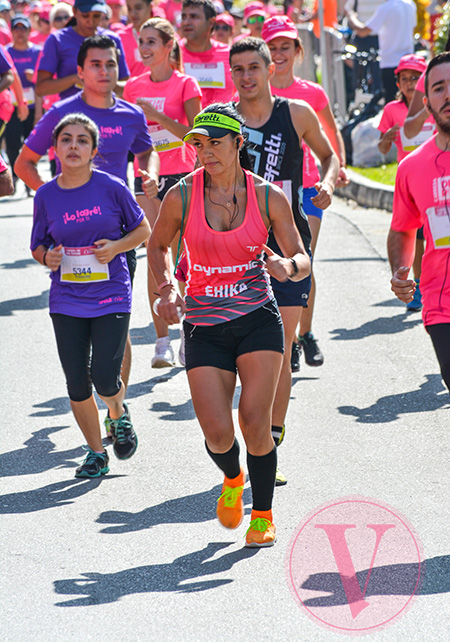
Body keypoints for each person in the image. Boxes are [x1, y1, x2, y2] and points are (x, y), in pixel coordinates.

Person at [147, 104, 311, 547]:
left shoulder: (267, 197)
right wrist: (167, 289)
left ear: (239, 144)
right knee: (218, 434)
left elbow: (302, 257)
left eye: (215, 142)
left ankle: (262, 515)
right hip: (204, 324)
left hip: (257, 318)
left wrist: (286, 266)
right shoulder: (181, 195)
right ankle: (233, 477)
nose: (206, 151)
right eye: (198, 143)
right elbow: (159, 245)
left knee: (255, 421)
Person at [15, 35, 158, 418]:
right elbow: (23, 163)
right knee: (79, 331)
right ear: (79, 72)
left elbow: (146, 148)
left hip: (118, 237)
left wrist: (148, 173)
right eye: (95, 64)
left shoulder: (130, 114)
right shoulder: (60, 114)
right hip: (74, 244)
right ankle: (100, 404)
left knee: (116, 322)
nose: (104, 71)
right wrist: (55, 200)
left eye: (111, 64)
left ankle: (116, 412)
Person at [230, 37, 339, 485]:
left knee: (280, 345)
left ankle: (268, 441)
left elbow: (329, 155)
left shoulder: (295, 113)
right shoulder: (224, 119)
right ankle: (254, 434)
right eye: (237, 69)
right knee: (244, 352)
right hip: (238, 246)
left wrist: (329, 183)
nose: (246, 76)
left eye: (253, 66)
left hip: (290, 241)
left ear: (269, 67)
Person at [30, 113, 150, 478]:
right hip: (66, 298)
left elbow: (142, 230)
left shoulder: (113, 187)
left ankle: (117, 412)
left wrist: (115, 247)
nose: (73, 146)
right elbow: (38, 245)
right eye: (66, 139)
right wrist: (46, 256)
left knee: (104, 377)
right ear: (55, 149)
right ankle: (96, 452)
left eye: (82, 140)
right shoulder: (46, 195)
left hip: (111, 294)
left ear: (94, 150)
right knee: (77, 382)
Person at [261, 15, 349, 372]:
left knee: (302, 259)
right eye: (273, 48)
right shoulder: (254, 90)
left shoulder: (312, 93)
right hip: (266, 191)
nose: (279, 53)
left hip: (308, 190)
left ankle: (302, 334)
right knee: (270, 264)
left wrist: (335, 173)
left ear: (297, 51)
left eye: (286, 46)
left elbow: (330, 134)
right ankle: (283, 336)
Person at [123, 18, 202, 367]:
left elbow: (196, 135)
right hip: (145, 178)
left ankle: (188, 332)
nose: (145, 47)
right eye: (142, 41)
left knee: (182, 257)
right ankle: (160, 341)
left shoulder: (186, 84)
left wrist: (157, 116)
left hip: (183, 176)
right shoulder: (133, 87)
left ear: (169, 45)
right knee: (156, 253)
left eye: (152, 41)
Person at [388, 52, 450, 395]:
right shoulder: (412, 167)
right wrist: (400, 269)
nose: (448, 95)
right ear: (427, 103)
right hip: (442, 302)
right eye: (439, 88)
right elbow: (402, 228)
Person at [378, 53, 434, 312]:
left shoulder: (435, 107)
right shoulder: (392, 110)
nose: (410, 83)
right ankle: (420, 285)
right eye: (405, 78)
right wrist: (387, 139)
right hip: (409, 183)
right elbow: (381, 148)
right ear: (397, 83)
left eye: (416, 77)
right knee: (417, 235)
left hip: (437, 177)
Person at [36, 0, 129, 101]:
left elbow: (126, 87)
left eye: (96, 16)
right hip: (71, 115)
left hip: (105, 113)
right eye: (85, 16)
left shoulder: (112, 39)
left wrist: (102, 83)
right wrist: (74, 79)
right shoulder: (57, 39)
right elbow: (41, 88)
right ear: (75, 12)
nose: (91, 21)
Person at [348, 0, 417, 103]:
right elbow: (413, 25)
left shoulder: (385, 8)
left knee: (392, 102)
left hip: (390, 62)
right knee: (409, 102)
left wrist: (352, 17)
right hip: (408, 60)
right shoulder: (409, 4)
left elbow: (363, 31)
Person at [5, 15, 42, 195]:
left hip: (33, 106)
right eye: (16, 29)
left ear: (29, 31)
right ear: (11, 32)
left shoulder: (37, 52)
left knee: (31, 145)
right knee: (12, 145)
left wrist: (33, 77)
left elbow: (43, 81)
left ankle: (29, 180)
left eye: (24, 28)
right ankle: (14, 173)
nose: (20, 32)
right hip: (11, 107)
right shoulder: (5, 52)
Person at [180, 0, 235, 108]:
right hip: (185, 126)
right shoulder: (171, 54)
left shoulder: (230, 54)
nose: (186, 22)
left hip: (222, 124)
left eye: (193, 17)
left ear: (211, 22)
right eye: (184, 17)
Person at [344, 0, 384, 95]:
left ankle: (359, 95)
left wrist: (357, 25)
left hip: (361, 37)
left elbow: (348, 11)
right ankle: (377, 94)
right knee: (377, 69)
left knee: (359, 70)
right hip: (378, 37)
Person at [119, 0, 165, 79]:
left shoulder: (165, 34)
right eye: (129, 8)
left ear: (150, 6)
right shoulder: (119, 38)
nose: (133, 13)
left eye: (138, 8)